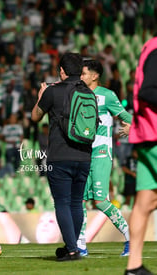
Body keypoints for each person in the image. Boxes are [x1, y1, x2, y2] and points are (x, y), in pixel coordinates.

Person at [31, 52, 91, 261]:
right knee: (76, 203)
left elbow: (35, 116)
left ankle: (72, 249)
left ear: (62, 71)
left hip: (60, 155)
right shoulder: (88, 93)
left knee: (63, 203)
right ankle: (72, 246)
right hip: (84, 155)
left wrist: (42, 94)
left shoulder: (53, 92)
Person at [77, 59, 132, 257]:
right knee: (80, 200)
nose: (81, 76)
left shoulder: (107, 95)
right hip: (82, 154)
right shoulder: (78, 94)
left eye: (84, 73)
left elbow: (127, 117)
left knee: (100, 201)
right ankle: (81, 245)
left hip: (101, 152)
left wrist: (129, 126)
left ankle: (130, 236)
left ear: (95, 75)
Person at [125, 36, 157, 275]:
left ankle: (134, 266)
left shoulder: (150, 46)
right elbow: (148, 90)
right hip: (156, 132)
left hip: (147, 134)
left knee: (145, 202)